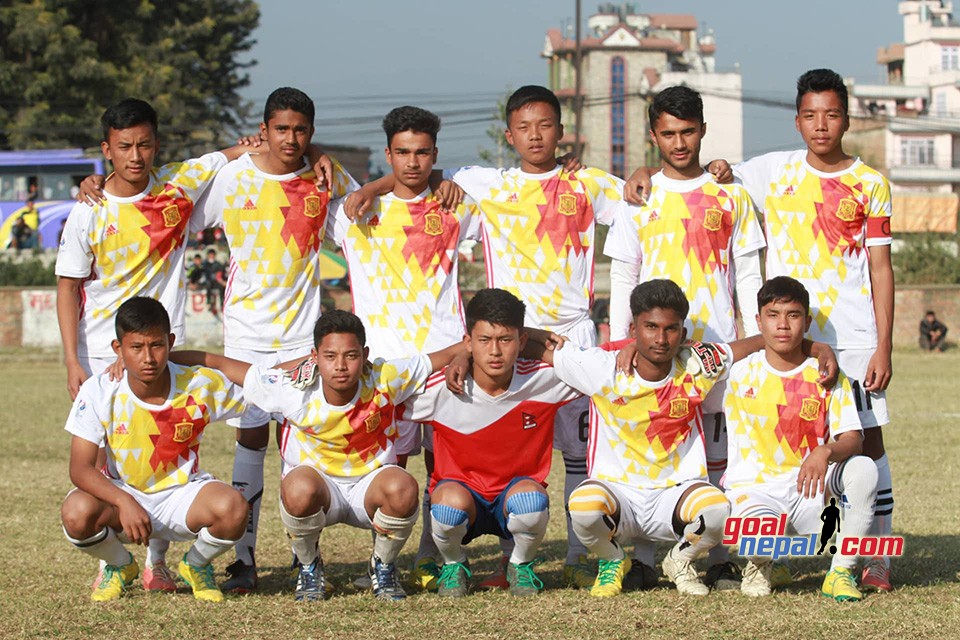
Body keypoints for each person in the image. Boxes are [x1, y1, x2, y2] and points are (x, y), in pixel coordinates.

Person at [626, 68, 895, 591]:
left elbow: (882, 268)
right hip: (785, 331)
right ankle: (761, 535)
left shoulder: (871, 184)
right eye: (811, 115)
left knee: (869, 445)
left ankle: (875, 558)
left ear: (847, 118)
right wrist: (643, 168)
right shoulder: (771, 170)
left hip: (855, 337)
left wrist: (883, 344)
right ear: (797, 121)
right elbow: (701, 173)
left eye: (832, 114)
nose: (821, 125)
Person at [352, 85, 626, 589]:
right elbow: (417, 174)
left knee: (578, 452)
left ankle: (576, 551)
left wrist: (649, 174)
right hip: (503, 337)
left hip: (569, 337)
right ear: (508, 136)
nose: (535, 135)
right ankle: (430, 551)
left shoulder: (585, 181)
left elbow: (638, 199)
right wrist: (373, 187)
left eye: (545, 125)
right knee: (458, 439)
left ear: (562, 132)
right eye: (524, 127)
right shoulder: (483, 184)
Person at [55, 97, 258, 591]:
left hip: (164, 341)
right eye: (124, 146)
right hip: (104, 349)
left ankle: (159, 561)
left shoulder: (176, 186)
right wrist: (70, 360)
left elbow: (224, 157)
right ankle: (115, 562)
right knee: (112, 454)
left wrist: (250, 146)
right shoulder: (89, 209)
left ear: (156, 146)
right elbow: (67, 284)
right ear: (107, 150)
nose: (135, 155)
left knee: (168, 447)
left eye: (144, 144)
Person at [532, 279, 837, 597]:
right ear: (633, 329)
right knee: (581, 505)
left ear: (684, 332)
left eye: (671, 329)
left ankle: (680, 561)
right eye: (650, 327)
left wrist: (818, 348)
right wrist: (482, 348)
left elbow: (768, 341)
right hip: (618, 494)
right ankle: (613, 561)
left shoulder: (698, 364)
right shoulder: (602, 367)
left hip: (674, 498)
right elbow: (526, 343)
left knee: (718, 509)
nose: (661, 339)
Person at [168, 310, 466, 601]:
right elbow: (217, 362)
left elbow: (447, 354)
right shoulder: (292, 388)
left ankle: (383, 566)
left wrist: (465, 354)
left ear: (364, 354)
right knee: (298, 487)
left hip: (368, 490)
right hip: (320, 492)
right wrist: (162, 360)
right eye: (330, 356)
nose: (340, 366)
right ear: (315, 356)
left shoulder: (385, 377)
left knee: (403, 486)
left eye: (350, 355)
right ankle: (310, 567)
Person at [192, 87, 360, 592]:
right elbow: (174, 204)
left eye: (301, 131)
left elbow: (370, 201)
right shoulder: (231, 178)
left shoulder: (323, 176)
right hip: (245, 335)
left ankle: (302, 555)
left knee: (301, 444)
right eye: (281, 129)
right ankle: (243, 559)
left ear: (311, 133)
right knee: (250, 438)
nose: (291, 139)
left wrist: (322, 158)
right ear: (263, 130)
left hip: (302, 338)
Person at [603, 85, 765, 590]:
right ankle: (646, 560)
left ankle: (716, 556)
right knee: (657, 444)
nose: (679, 143)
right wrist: (619, 341)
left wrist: (758, 341)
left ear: (702, 131)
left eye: (688, 132)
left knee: (724, 453)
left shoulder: (731, 194)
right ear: (653, 135)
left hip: (716, 346)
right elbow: (623, 275)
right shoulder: (638, 196)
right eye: (668, 133)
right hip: (652, 350)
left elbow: (748, 276)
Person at [327, 105, 481, 591]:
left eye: (423, 154)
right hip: (380, 366)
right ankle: (383, 559)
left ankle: (435, 552)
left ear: (435, 155)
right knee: (389, 468)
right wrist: (369, 187)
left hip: (443, 358)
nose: (412, 163)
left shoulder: (458, 206)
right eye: (402, 153)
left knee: (443, 464)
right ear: (387, 153)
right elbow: (309, 160)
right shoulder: (353, 212)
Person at [60, 297, 248, 602]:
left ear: (170, 342)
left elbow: (260, 383)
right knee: (76, 512)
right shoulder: (99, 389)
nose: (148, 357)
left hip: (182, 496)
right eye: (136, 347)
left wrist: (206, 359)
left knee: (234, 508)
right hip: (125, 496)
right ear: (117, 349)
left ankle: (195, 565)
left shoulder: (198, 384)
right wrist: (124, 501)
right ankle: (120, 565)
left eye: (157, 345)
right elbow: (79, 469)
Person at [400, 289, 580, 597]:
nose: (495, 351)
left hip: (513, 497)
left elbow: (594, 368)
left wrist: (539, 341)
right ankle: (455, 564)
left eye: (506, 340)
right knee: (446, 506)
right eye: (484, 341)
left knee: (531, 503)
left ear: (521, 342)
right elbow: (385, 384)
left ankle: (520, 565)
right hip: (463, 499)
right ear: (468, 343)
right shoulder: (442, 387)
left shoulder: (545, 380)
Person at [723, 276, 877, 601]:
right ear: (758, 321)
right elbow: (686, 357)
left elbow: (854, 439)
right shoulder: (736, 373)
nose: (782, 325)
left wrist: (826, 451)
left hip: (811, 491)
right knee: (757, 540)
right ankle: (765, 563)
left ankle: (840, 572)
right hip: (755, 491)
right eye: (773, 315)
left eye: (793, 315)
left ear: (807, 322)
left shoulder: (826, 374)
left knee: (864, 469)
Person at [202, 248, 226, 314]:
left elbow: (219, 274)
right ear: (208, 255)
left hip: (216, 281)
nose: (211, 256)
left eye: (213, 254)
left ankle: (222, 303)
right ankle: (208, 302)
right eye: (210, 254)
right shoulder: (204, 264)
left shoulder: (218, 264)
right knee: (208, 284)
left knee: (221, 287)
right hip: (207, 281)